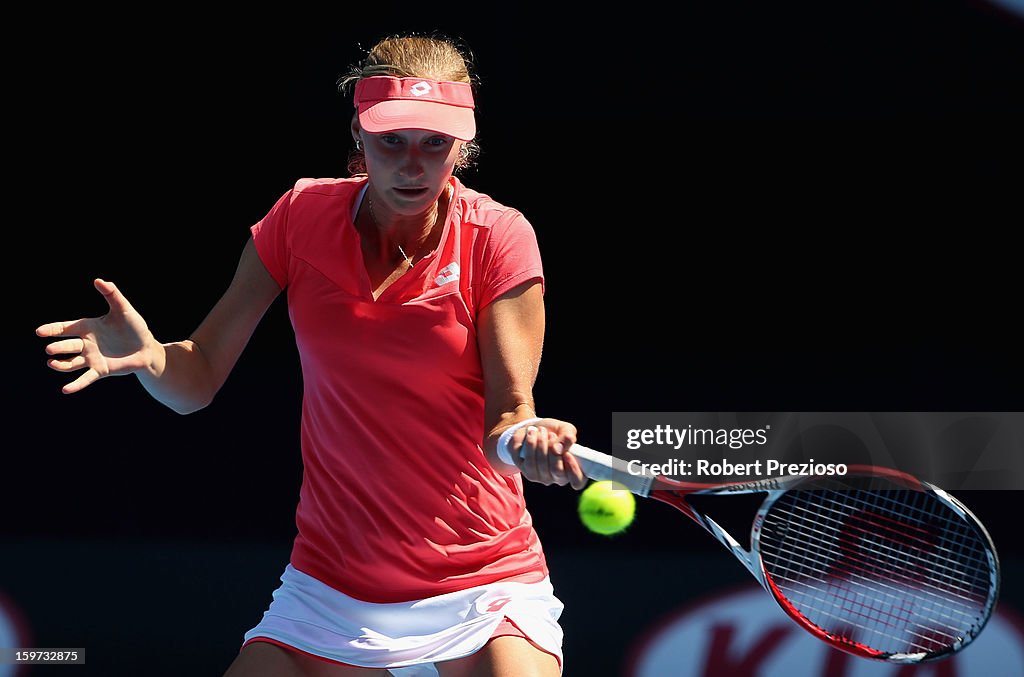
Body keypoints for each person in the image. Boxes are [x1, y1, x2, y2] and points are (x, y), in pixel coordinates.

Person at [35, 33, 587, 677]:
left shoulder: (498, 237)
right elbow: (198, 378)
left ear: (463, 143)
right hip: (332, 586)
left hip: (483, 582)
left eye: (435, 143)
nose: (414, 165)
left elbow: (507, 419)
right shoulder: (299, 217)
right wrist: (155, 360)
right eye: (392, 141)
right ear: (359, 134)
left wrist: (530, 439)